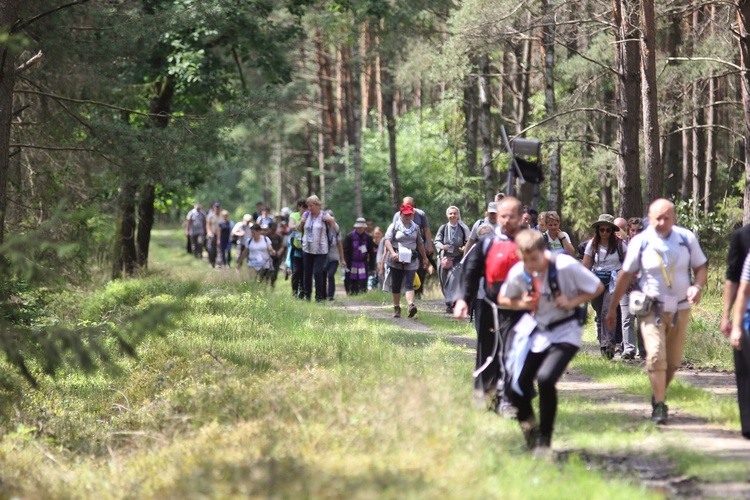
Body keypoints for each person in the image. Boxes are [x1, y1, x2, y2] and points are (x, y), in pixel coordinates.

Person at [499, 229, 604, 455]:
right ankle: (531, 436)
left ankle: (545, 440)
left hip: (566, 331)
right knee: (517, 387)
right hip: (536, 332)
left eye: (534, 259)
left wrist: (572, 301)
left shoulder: (565, 266)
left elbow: (596, 287)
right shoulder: (520, 271)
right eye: (525, 260)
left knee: (546, 380)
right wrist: (522, 303)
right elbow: (503, 298)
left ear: (544, 252)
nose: (530, 265)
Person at [606, 199, 707, 425]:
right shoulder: (641, 241)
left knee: (672, 363)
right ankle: (660, 405)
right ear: (649, 219)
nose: (662, 222)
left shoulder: (686, 238)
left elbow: (700, 267)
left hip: (680, 307)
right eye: (657, 218)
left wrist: (697, 286)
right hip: (651, 308)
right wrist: (612, 308)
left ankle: (657, 392)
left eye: (666, 218)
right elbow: (625, 274)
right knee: (654, 355)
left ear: (674, 218)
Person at [454, 197, 524, 415]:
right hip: (490, 306)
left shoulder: (527, 241)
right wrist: (463, 299)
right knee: (488, 351)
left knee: (514, 351)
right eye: (502, 216)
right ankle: (485, 394)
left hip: (521, 307)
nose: (506, 221)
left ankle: (509, 398)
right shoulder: (487, 243)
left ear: (520, 218)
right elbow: (471, 272)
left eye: (511, 217)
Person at [582, 214, 629, 359]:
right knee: (599, 311)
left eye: (607, 230)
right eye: (602, 230)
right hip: (596, 281)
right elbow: (586, 265)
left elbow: (629, 264)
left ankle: (609, 344)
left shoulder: (620, 244)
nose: (604, 233)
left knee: (606, 311)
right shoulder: (592, 244)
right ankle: (604, 344)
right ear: (598, 230)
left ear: (612, 230)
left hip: (614, 281)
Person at [723, 223, 750, 439]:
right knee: (745, 373)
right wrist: (728, 318)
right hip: (747, 316)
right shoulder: (742, 237)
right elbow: (734, 281)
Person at [384, 204, 429, 318]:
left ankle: (410, 305)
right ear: (401, 214)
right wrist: (393, 253)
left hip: (411, 259)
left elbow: (420, 243)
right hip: (396, 259)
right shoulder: (394, 226)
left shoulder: (416, 227)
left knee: (410, 283)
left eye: (410, 214)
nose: (408, 216)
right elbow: (387, 241)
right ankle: (396, 307)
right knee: (396, 284)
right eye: (406, 214)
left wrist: (424, 258)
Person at [392, 197, 434, 298]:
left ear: (414, 204)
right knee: (402, 268)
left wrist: (429, 245)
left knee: (419, 268)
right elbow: (392, 233)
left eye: (410, 205)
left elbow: (426, 230)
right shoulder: (397, 215)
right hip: (402, 247)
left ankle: (418, 292)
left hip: (417, 246)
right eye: (406, 205)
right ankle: (405, 291)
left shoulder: (420, 214)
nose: (408, 207)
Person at [298, 195, 336, 302]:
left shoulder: (324, 215)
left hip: (321, 249)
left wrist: (331, 220)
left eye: (311, 206)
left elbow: (335, 229)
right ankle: (307, 296)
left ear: (317, 205)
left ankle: (319, 297)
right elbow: (299, 229)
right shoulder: (306, 214)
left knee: (318, 272)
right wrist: (302, 221)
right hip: (307, 248)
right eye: (308, 206)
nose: (309, 208)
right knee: (307, 273)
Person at [435, 206, 470, 313]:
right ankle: (448, 302)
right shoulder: (443, 228)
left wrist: (464, 248)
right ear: (447, 215)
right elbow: (437, 241)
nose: (452, 216)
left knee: (454, 281)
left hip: (457, 259)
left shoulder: (463, 228)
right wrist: (442, 247)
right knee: (444, 281)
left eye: (455, 213)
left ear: (458, 215)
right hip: (444, 258)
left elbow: (468, 241)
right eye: (450, 214)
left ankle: (453, 303)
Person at [343, 217, 375, 295]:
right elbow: (345, 251)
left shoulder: (368, 238)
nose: (360, 229)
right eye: (358, 227)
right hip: (351, 263)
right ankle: (351, 292)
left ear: (364, 228)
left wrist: (371, 267)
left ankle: (362, 292)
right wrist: (345, 263)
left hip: (363, 263)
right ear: (356, 227)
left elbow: (371, 253)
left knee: (363, 279)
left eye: (362, 227)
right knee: (351, 279)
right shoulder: (349, 237)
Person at [324, 210, 346, 300]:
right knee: (323, 275)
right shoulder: (322, 227)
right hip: (323, 256)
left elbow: (339, 244)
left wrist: (342, 259)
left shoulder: (336, 228)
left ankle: (330, 295)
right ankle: (323, 294)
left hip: (334, 257)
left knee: (331, 274)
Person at [287, 198, 307, 298]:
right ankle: (294, 293)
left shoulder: (310, 215)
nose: (304, 209)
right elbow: (291, 226)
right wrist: (300, 224)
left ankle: (302, 293)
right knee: (296, 272)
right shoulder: (294, 215)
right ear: (299, 207)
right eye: (303, 207)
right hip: (296, 249)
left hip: (307, 249)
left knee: (304, 273)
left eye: (306, 207)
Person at [266, 222, 286, 287]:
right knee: (267, 271)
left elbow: (282, 246)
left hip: (277, 256)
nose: (274, 230)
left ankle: (272, 284)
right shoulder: (266, 236)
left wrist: (279, 252)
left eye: (275, 229)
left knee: (275, 271)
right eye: (272, 229)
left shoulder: (278, 236)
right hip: (268, 256)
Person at [206, 202, 221, 268]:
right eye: (216, 207)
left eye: (218, 207)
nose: (217, 209)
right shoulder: (210, 215)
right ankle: (212, 261)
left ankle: (219, 262)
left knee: (219, 249)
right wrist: (209, 232)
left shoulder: (221, 215)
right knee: (211, 249)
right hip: (212, 234)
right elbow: (208, 224)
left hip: (220, 235)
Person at [369, 226, 384, 291]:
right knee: (372, 278)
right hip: (372, 263)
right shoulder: (370, 243)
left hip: (381, 263)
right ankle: (372, 290)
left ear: (381, 234)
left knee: (381, 278)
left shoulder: (384, 243)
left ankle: (382, 290)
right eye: (376, 233)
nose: (377, 235)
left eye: (378, 233)